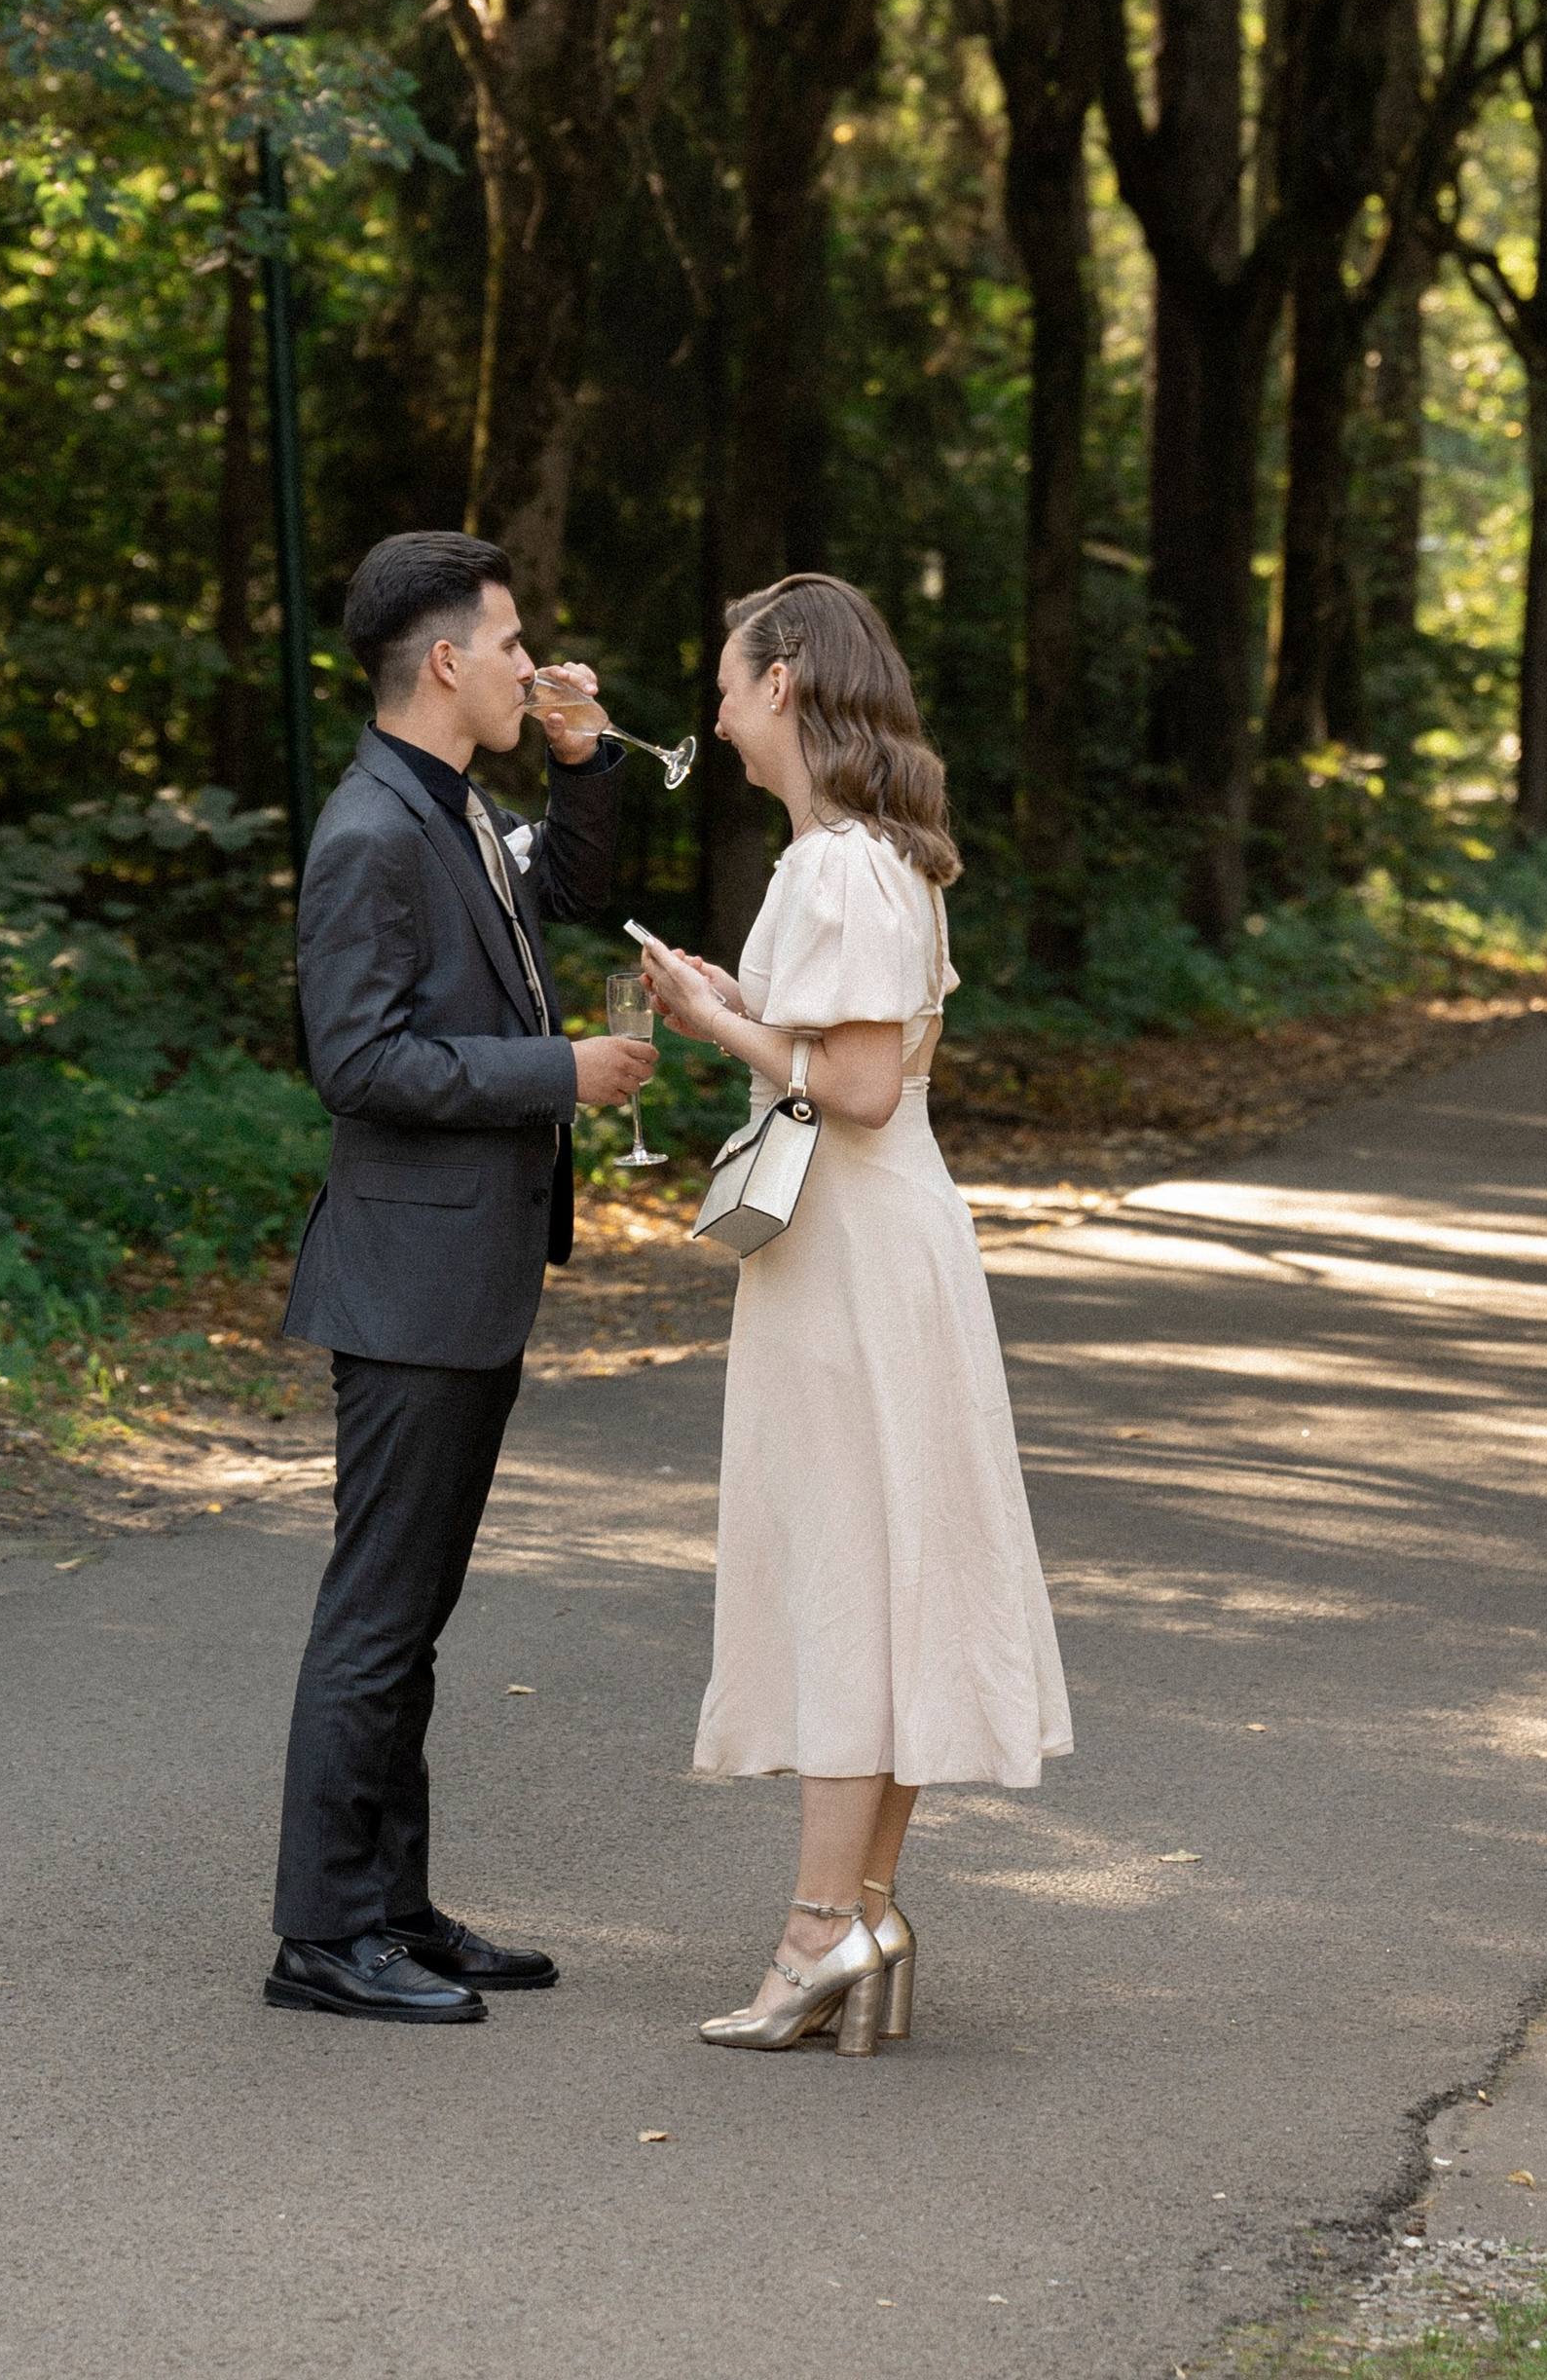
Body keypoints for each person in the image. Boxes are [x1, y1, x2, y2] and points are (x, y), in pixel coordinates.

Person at [642, 571, 1070, 2053]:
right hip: (883, 1239)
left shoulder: (833, 865)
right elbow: (853, 1054)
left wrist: (711, 1020)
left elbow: (863, 1087)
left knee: (845, 1565)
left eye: (725, 685)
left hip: (854, 1252)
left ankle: (818, 1929)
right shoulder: (882, 855)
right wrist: (748, 1009)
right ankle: (862, 1908)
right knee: (886, 1572)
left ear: (781, 683)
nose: (714, 716)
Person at [266, 530, 649, 2026]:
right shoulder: (370, 831)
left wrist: (586, 759)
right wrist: (558, 1071)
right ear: (444, 660)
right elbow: (357, 1064)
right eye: (511, 644)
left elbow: (570, 892)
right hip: (408, 1280)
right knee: (378, 1615)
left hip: (461, 1274)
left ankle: (393, 1909)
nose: (530, 663)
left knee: (411, 1614)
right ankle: (320, 1937)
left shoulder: (455, 804)